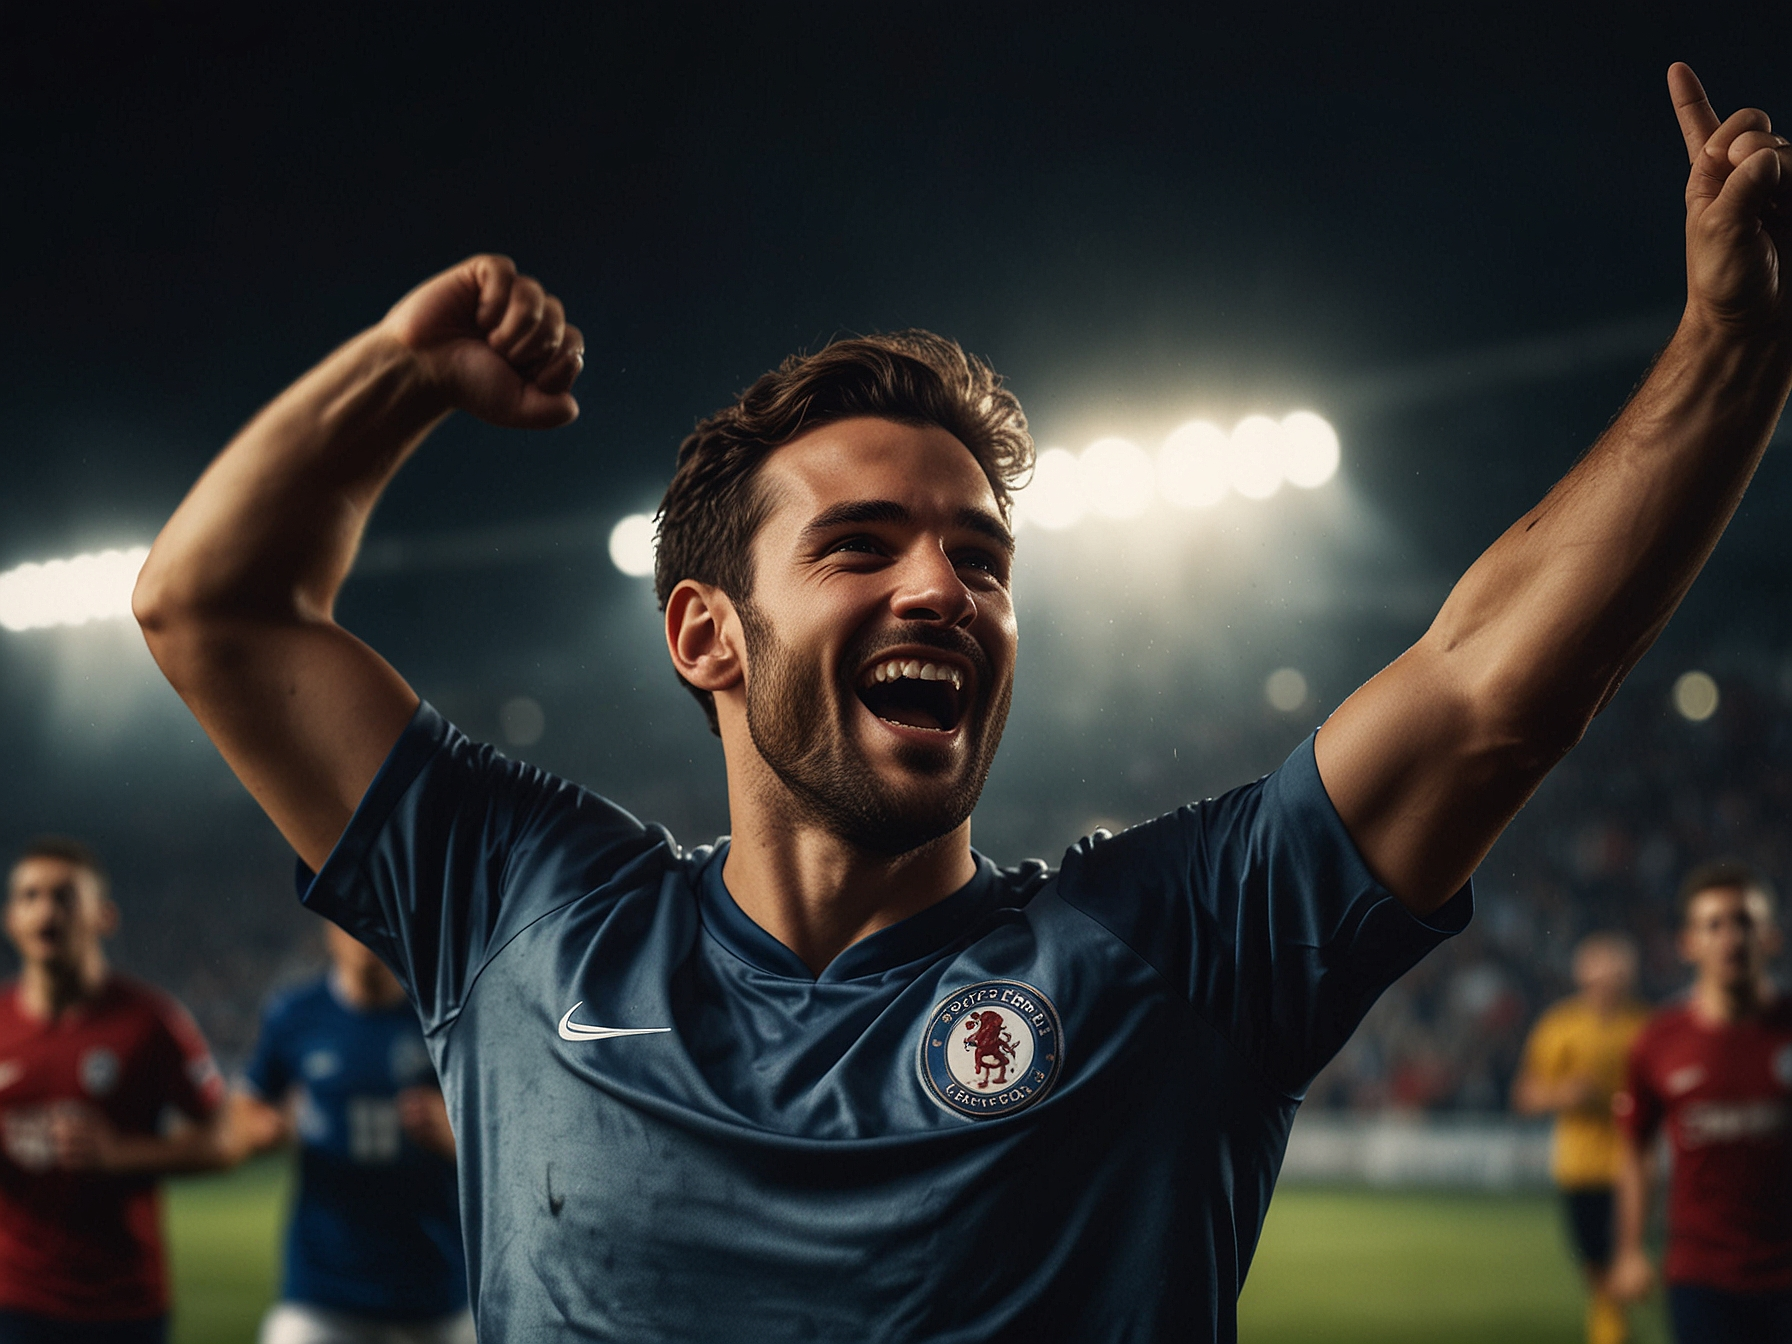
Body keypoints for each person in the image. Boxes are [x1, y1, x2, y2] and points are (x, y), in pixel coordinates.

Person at [130, 64, 1792, 1342]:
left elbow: (1483, 688)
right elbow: (213, 605)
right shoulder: (523, 908)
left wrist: (1729, 350)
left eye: (980, 559)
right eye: (862, 544)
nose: (944, 586)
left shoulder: (1170, 948)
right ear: (705, 632)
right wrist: (401, 373)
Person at [0, 838, 228, 1344]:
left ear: (104, 916)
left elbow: (221, 1142)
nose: (46, 911)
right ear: (10, 918)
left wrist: (120, 1154)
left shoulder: (151, 1023)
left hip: (124, 1304)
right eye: (29, 896)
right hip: (14, 1298)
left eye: (64, 896)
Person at [230, 919, 472, 1344]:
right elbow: (246, 1109)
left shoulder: (449, 1016)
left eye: (376, 916)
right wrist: (274, 1124)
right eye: (349, 918)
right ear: (327, 926)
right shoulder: (294, 1014)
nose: (363, 934)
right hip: (324, 1291)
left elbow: (503, 1133)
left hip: (437, 1288)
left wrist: (457, 1133)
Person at [1610, 862, 1792, 1342]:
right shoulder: (1659, 1041)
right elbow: (1635, 1149)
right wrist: (1629, 1249)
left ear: (1771, 937)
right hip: (1699, 1275)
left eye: (1745, 922)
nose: (1731, 938)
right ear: (1687, 944)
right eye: (1714, 925)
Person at [1514, 933, 1651, 1344]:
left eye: (1615, 974)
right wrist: (1564, 1094)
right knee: (1596, 1268)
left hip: (1633, 1166)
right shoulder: (1560, 1027)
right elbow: (1525, 1095)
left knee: (1624, 1262)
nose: (1607, 983)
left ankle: (1611, 1333)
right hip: (1579, 1166)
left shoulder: (1644, 1028)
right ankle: (1613, 1329)